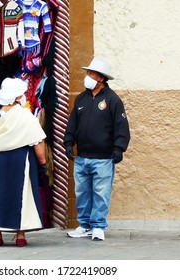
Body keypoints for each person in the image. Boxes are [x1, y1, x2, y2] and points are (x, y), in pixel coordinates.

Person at [0, 77, 47, 247]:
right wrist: (42, 163)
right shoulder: (24, 115)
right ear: (16, 96)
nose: (23, 96)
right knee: (20, 195)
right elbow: (38, 140)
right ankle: (20, 235)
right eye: (21, 94)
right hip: (19, 159)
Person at [64, 57, 130, 241]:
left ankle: (98, 226)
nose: (87, 76)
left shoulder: (112, 100)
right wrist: (68, 142)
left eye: (91, 73)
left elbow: (121, 126)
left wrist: (119, 148)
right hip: (82, 157)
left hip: (103, 159)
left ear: (101, 78)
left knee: (101, 193)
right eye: (87, 73)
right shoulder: (81, 99)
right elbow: (72, 124)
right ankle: (84, 225)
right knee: (82, 193)